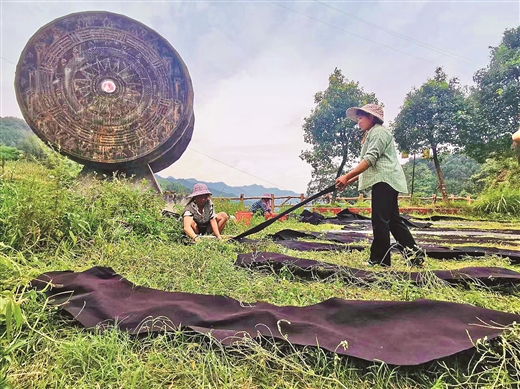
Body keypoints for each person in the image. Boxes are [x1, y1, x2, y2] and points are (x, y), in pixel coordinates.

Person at [335, 104, 424, 267]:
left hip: (385, 180)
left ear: (371, 117)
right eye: (358, 118)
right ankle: (415, 256)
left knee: (380, 220)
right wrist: (348, 180)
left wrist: (347, 176)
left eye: (361, 117)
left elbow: (370, 159)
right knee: (393, 221)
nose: (359, 121)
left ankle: (380, 260)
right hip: (385, 180)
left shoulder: (379, 133)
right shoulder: (373, 134)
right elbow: (368, 165)